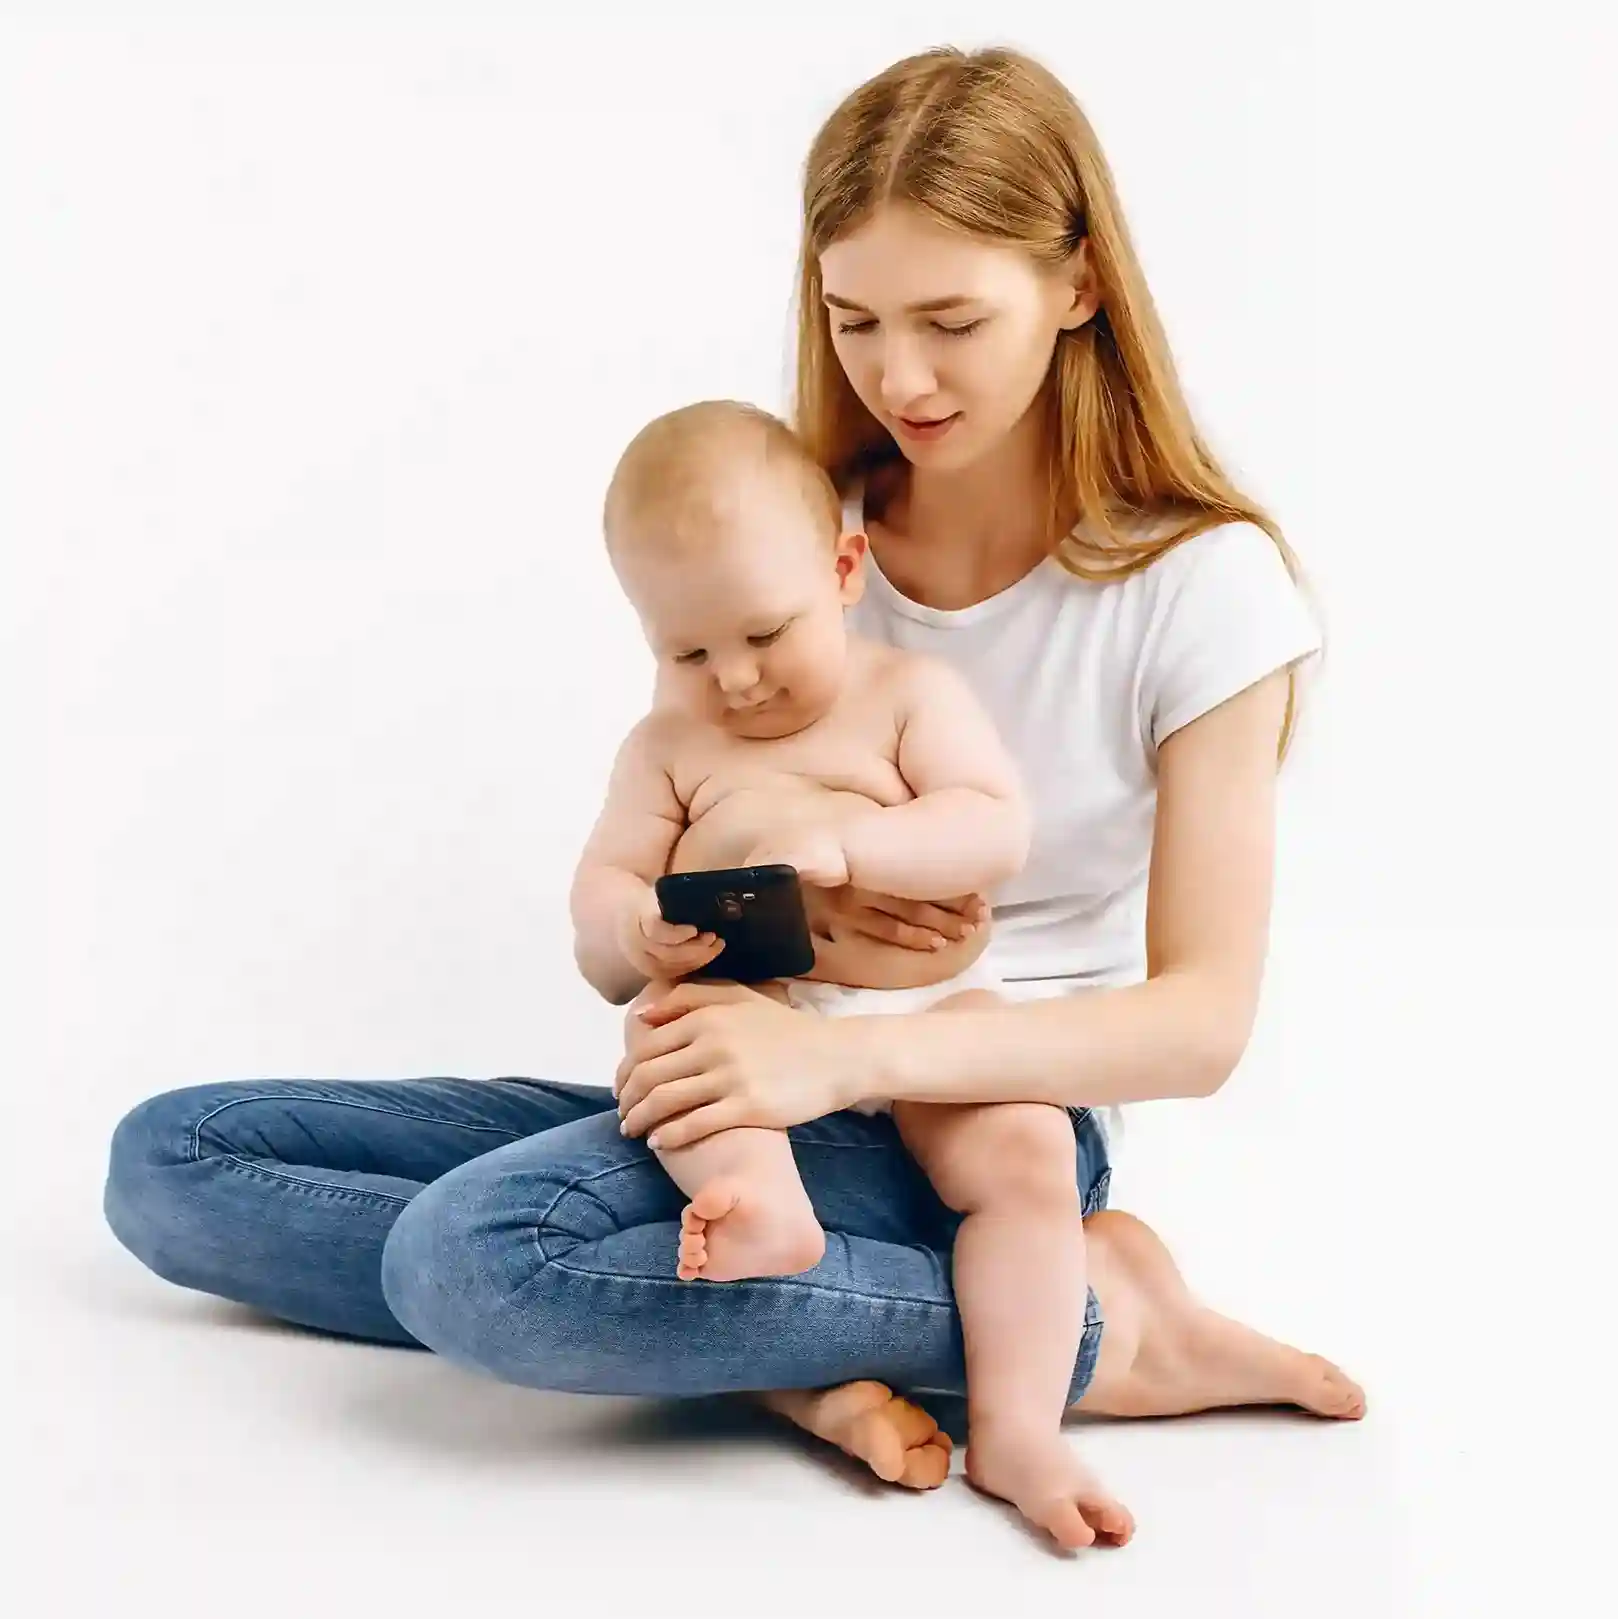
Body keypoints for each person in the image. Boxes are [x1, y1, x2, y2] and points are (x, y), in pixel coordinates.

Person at [101, 43, 1365, 1550]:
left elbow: (1201, 1022)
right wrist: (684, 948)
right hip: (751, 1082)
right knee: (172, 1163)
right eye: (854, 320)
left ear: (1078, 284)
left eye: (952, 320)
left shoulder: (1200, 590)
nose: (898, 377)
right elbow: (673, 840)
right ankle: (787, 1346)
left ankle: (1099, 1327)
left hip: (986, 1109)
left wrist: (835, 1063)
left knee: (474, 1259)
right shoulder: (784, 550)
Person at [582, 397, 1121, 1546]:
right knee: (670, 1032)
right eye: (687, 650)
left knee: (1026, 1154)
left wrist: (856, 843)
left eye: (763, 633)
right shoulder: (666, 748)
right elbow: (600, 912)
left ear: (842, 568)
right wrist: (635, 927)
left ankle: (1018, 1424)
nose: (733, 678)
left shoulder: (904, 696)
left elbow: (994, 825)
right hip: (756, 1012)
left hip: (922, 1011)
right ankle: (767, 1211)